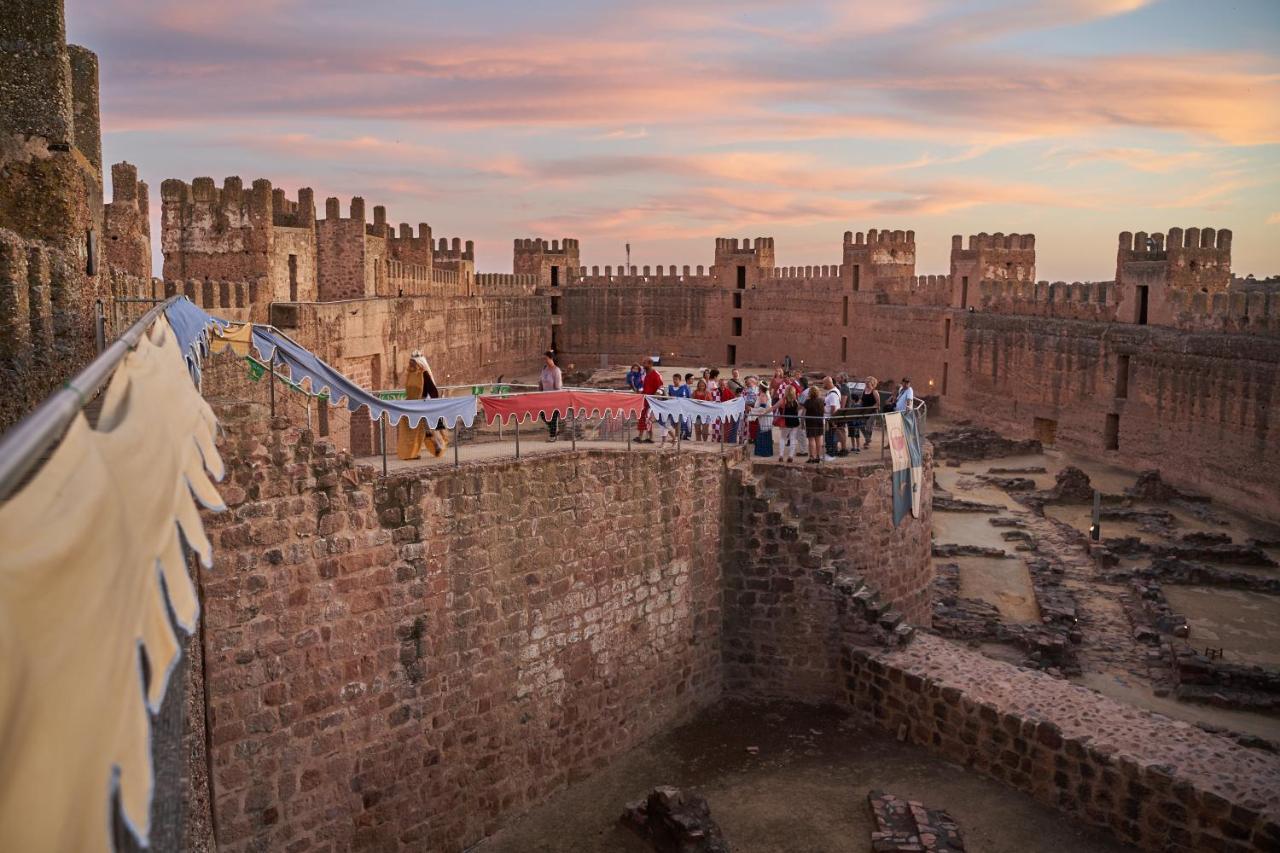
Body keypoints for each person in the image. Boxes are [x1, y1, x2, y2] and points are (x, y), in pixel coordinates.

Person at [636, 362, 664, 443]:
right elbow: (641, 385)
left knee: (648, 418)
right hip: (643, 400)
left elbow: (661, 387)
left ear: (650, 364)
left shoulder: (656, 374)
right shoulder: (644, 374)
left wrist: (655, 396)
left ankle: (650, 437)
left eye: (645, 363)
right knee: (641, 417)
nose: (644, 365)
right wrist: (640, 392)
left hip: (652, 401)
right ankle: (640, 436)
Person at [538, 350, 563, 442]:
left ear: (551, 358)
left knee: (553, 416)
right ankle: (554, 430)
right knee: (543, 414)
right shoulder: (544, 369)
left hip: (554, 397)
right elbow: (541, 381)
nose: (545, 360)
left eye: (546, 358)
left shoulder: (556, 370)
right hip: (544, 397)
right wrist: (539, 390)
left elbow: (558, 386)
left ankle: (552, 436)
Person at [774, 385, 802, 462]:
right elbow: (799, 409)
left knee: (783, 438)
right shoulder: (795, 401)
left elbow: (774, 407)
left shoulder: (784, 400)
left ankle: (781, 455)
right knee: (793, 439)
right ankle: (790, 456)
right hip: (795, 421)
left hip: (786, 422)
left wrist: (764, 412)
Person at [802, 385, 827, 463]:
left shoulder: (807, 401)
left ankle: (812, 457)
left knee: (811, 440)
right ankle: (818, 456)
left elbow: (803, 413)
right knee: (818, 440)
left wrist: (802, 422)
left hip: (810, 422)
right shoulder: (822, 400)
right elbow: (825, 410)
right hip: (819, 421)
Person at [822, 377, 842, 461]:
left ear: (828, 383)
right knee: (829, 436)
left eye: (824, 383)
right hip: (829, 417)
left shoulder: (833, 394)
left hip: (830, 418)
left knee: (830, 436)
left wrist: (832, 420)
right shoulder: (833, 392)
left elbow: (833, 407)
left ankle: (831, 454)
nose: (823, 385)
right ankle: (830, 453)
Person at [858, 377, 879, 450]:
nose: (866, 383)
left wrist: (870, 408)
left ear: (872, 383)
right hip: (864, 411)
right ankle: (867, 439)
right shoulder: (864, 391)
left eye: (868, 382)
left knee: (869, 426)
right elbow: (861, 400)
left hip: (872, 412)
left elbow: (877, 403)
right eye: (865, 382)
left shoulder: (874, 392)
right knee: (861, 425)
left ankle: (867, 443)